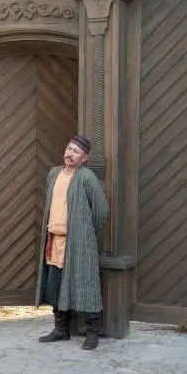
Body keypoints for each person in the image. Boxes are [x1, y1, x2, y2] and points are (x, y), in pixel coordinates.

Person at [36, 135, 108, 350]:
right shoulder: (53, 173)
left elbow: (101, 211)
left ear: (84, 158)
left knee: (85, 286)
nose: (70, 154)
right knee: (55, 286)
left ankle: (92, 333)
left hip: (79, 243)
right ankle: (61, 329)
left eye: (76, 152)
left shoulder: (87, 178)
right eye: (69, 149)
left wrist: (85, 234)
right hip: (55, 241)